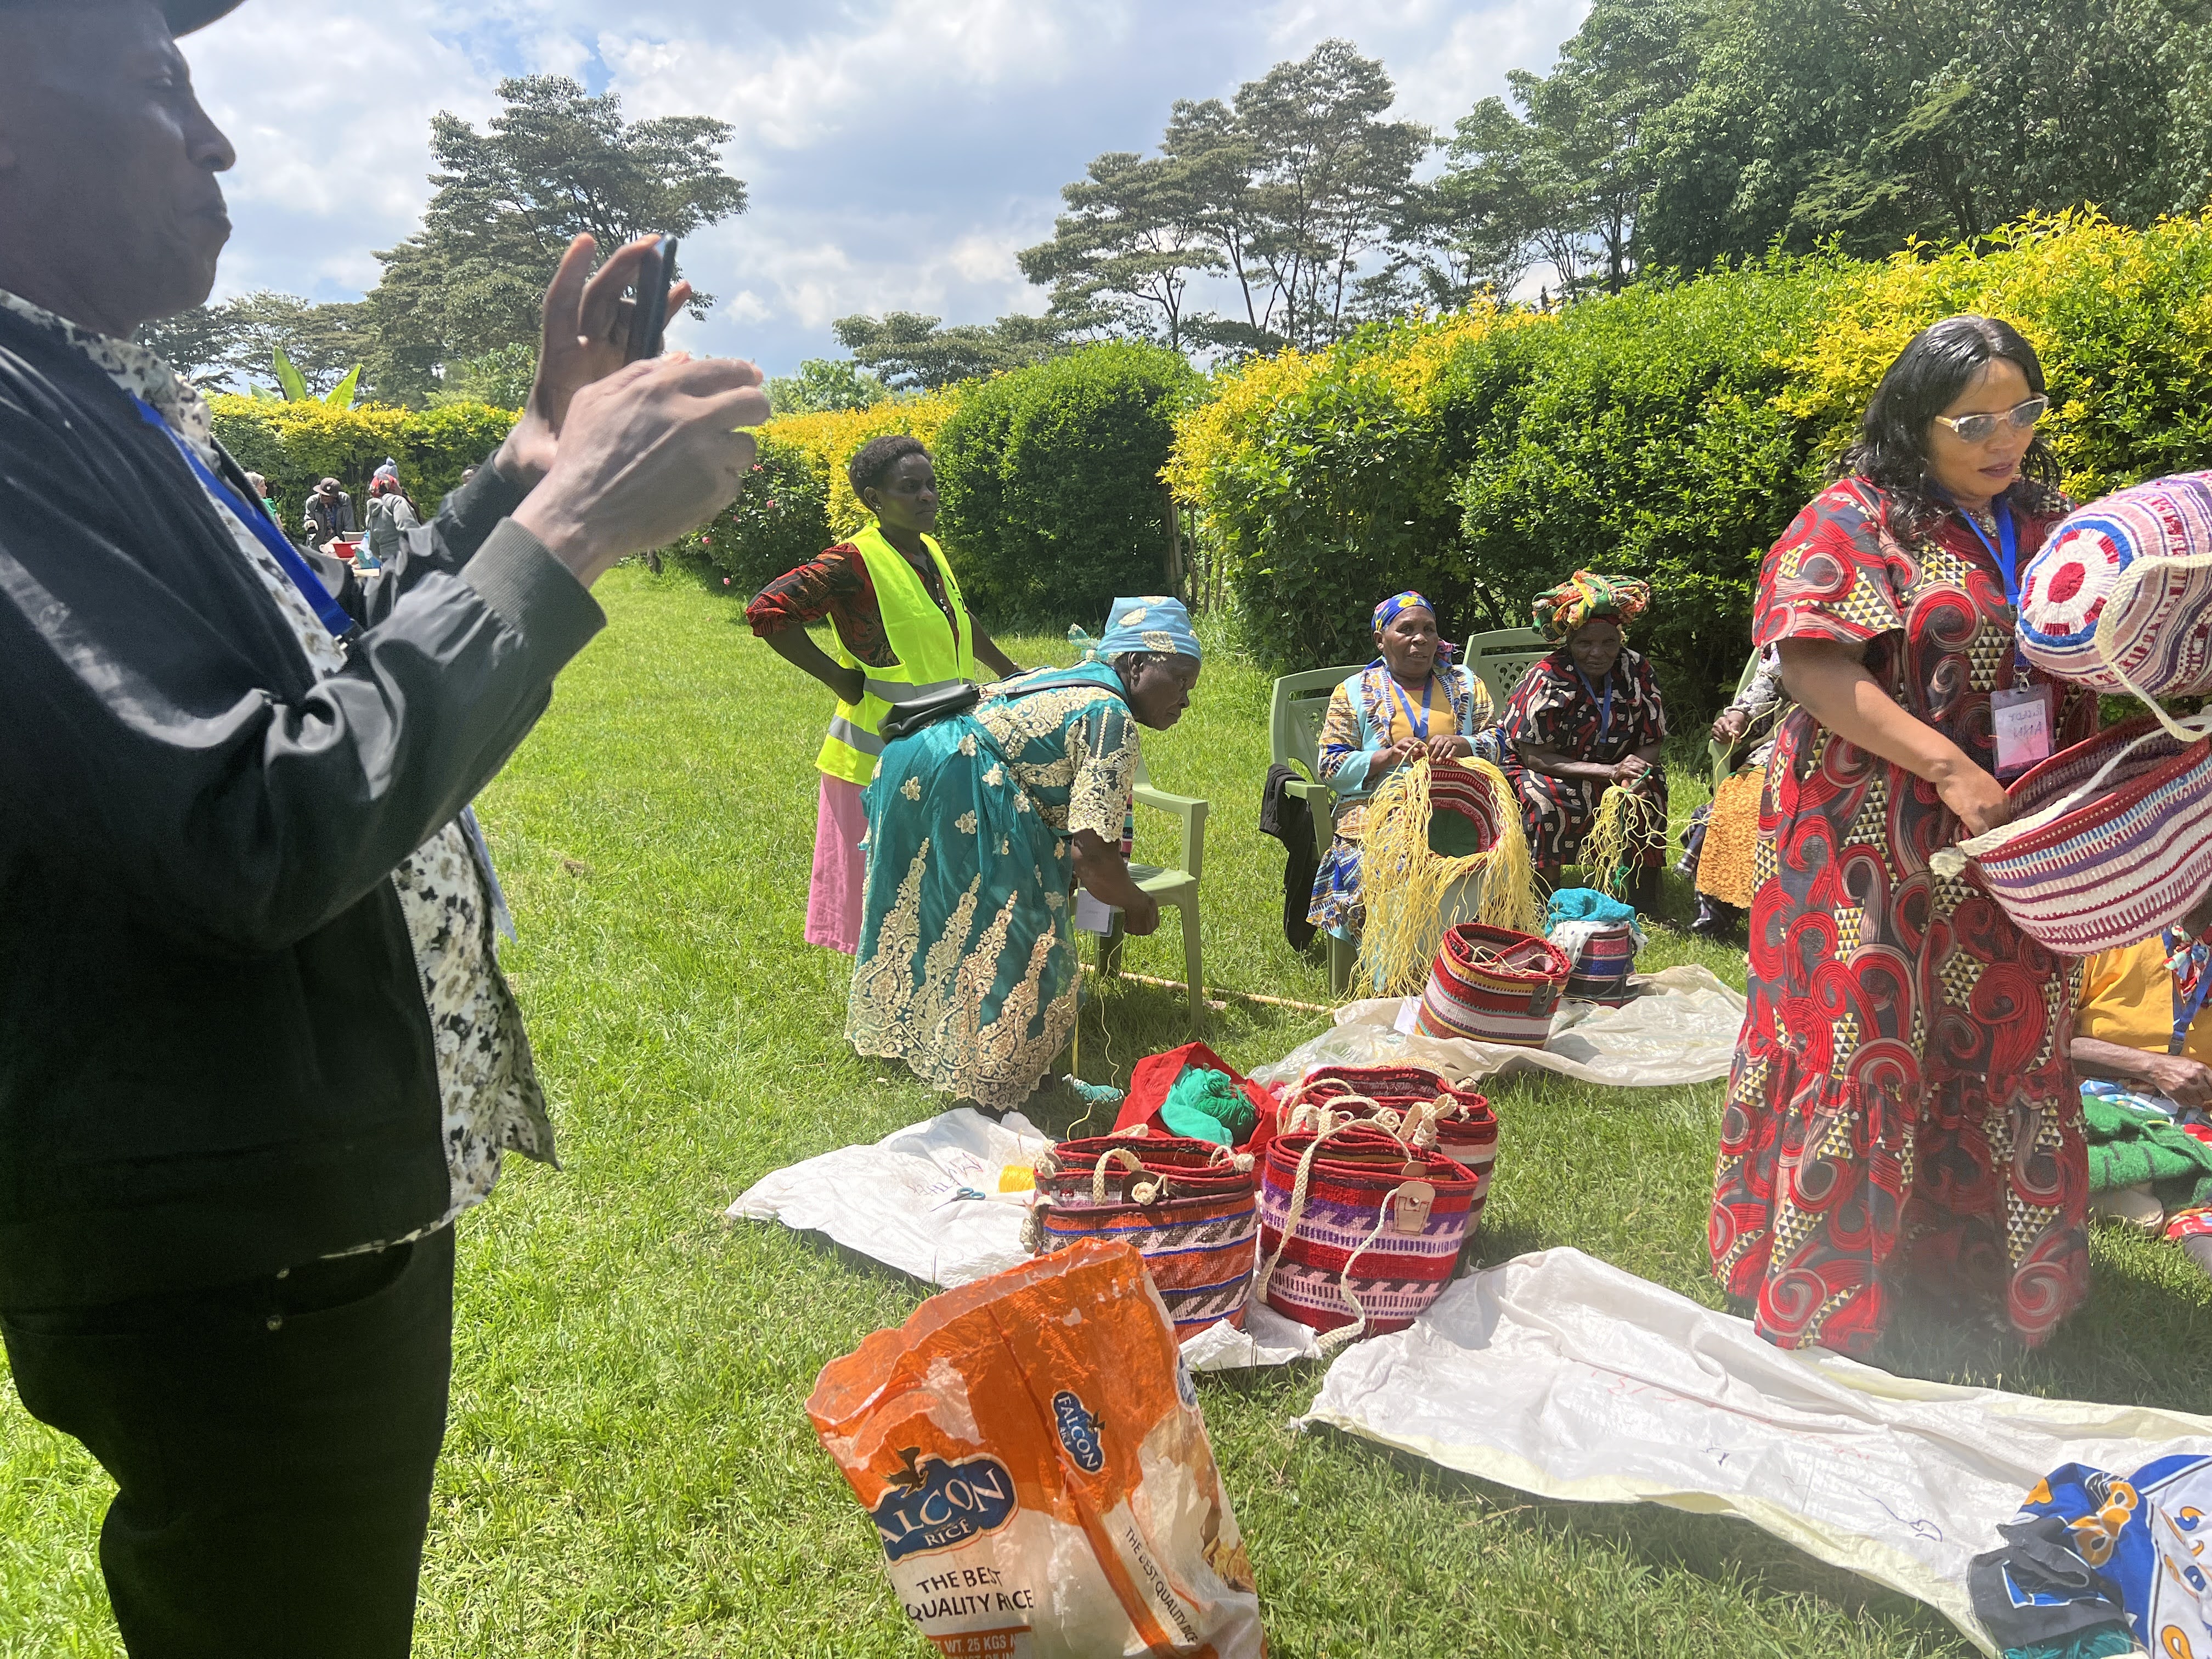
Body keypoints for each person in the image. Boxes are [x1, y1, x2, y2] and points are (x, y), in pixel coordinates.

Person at [0, 4, 770, 1653]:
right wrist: (562, 540)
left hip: (292, 1214)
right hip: (229, 1254)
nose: (219, 145)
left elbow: (329, 674)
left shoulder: (101, 395)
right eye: (155, 90)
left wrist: (525, 466)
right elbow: (253, 821)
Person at [1708, 314, 2092, 1358]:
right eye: (1972, 418)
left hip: (2010, 837)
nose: (2000, 436)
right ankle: (1830, 1293)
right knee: (1864, 1042)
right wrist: (1947, 766)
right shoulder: (1854, 518)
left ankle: (1979, 1279)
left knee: (2003, 1041)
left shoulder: (2055, 523)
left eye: (2021, 410)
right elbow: (1813, 666)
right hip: (1868, 837)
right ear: (1914, 422)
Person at [847, 597, 1201, 1112]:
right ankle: (1001, 1097)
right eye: (1181, 679)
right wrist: (1139, 903)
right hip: (959, 778)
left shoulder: (1077, 681)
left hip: (916, 764)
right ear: (1135, 664)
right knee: (1022, 930)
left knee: (989, 925)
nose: (1186, 700)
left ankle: (1023, 1078)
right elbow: (1093, 858)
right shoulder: (1110, 715)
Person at [746, 435, 1019, 954]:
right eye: (910, 488)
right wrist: (834, 676)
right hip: (876, 762)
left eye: (931, 485)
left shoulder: (926, 550)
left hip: (938, 750)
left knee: (932, 888)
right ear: (874, 498)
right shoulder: (853, 561)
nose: (927, 497)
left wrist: (1007, 670)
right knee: (887, 898)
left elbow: (958, 620)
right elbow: (768, 610)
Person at [1307, 590, 1496, 944]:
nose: (1420, 639)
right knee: (1395, 865)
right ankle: (1397, 965)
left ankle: (1470, 956)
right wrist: (1387, 757)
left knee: (1499, 858)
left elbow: (1500, 742)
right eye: (1406, 629)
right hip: (1377, 811)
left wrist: (1465, 744)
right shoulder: (1353, 691)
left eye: (1429, 629)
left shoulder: (1466, 683)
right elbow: (1330, 766)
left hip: (1460, 806)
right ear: (1381, 640)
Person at [1500, 572, 1669, 907]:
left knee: (1649, 791)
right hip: (1548, 769)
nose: (1598, 653)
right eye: (1585, 643)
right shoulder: (1547, 677)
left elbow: (1654, 735)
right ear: (1569, 643)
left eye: (1608, 642)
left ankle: (1641, 895)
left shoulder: (1637, 669)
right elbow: (1535, 757)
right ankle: (1544, 897)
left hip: (1616, 767)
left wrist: (1637, 768)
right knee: (1546, 801)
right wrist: (1609, 772)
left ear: (1620, 638)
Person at [1682, 645, 1788, 936]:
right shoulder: (1796, 626)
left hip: (1859, 745)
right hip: (1785, 743)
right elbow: (1769, 682)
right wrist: (1738, 716)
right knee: (1734, 807)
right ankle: (1717, 916)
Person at [364, 471, 420, 562]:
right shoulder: (397, 502)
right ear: (393, 487)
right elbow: (408, 528)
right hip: (405, 559)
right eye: (399, 485)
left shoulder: (371, 513)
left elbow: (373, 548)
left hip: (387, 562)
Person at [303, 472, 352, 544]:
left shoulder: (345, 500)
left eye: (327, 496)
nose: (323, 497)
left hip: (339, 543)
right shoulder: (312, 502)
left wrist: (348, 544)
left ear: (335, 496)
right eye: (321, 494)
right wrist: (309, 523)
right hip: (318, 545)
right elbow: (307, 524)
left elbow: (350, 527)